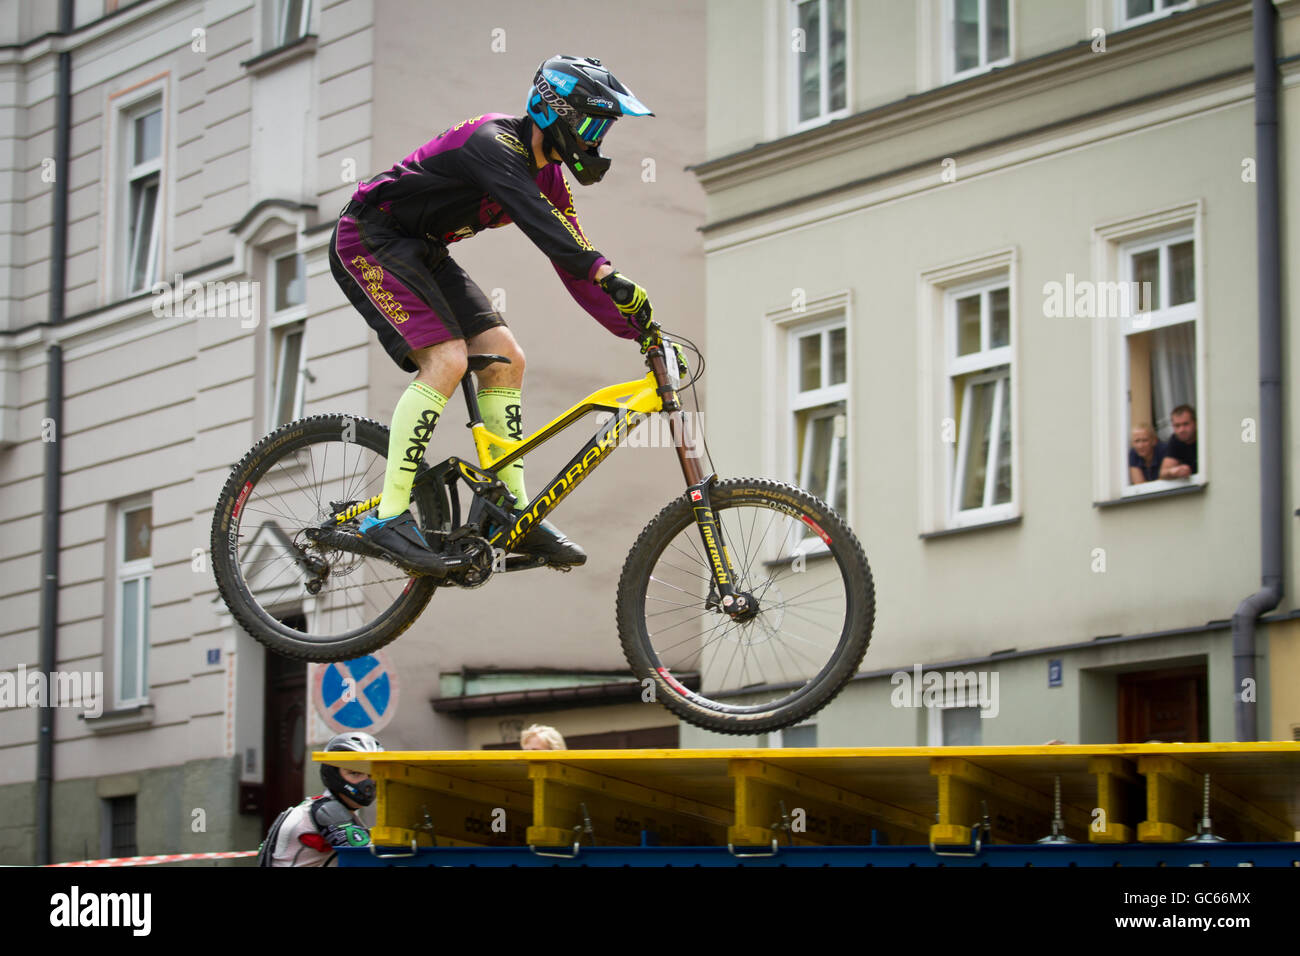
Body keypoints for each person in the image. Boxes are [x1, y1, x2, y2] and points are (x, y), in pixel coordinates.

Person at [327, 55, 657, 576]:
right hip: (370, 237)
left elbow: (571, 256)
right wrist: (603, 271)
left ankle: (508, 510)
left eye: (605, 128)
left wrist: (637, 328)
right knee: (448, 359)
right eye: (593, 123)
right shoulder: (493, 143)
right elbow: (545, 227)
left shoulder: (548, 178)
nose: (598, 138)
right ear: (555, 112)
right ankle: (387, 516)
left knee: (505, 357)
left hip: (423, 248)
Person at [258, 731, 382, 867]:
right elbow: (368, 859)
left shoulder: (322, 808)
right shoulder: (329, 811)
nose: (367, 782)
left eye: (371, 774)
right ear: (333, 774)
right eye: (354, 773)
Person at [1159, 405, 1198, 478]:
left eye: (1185, 424)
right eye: (1177, 426)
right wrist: (1174, 471)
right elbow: (1163, 473)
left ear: (1195, 423)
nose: (1181, 430)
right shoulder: (1176, 440)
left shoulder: (1203, 437)